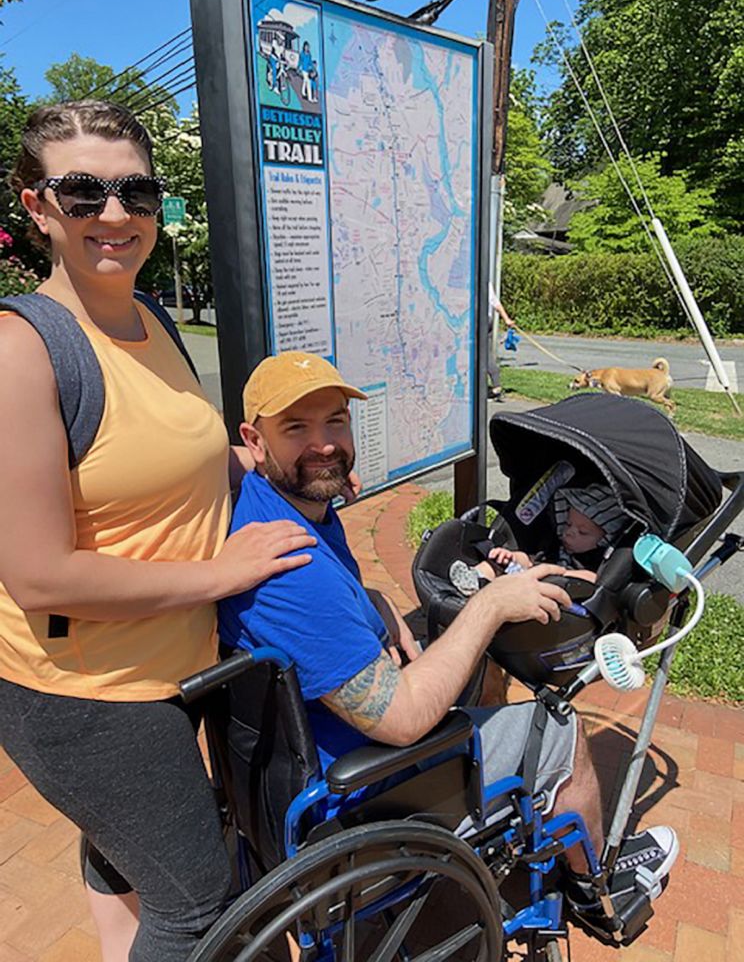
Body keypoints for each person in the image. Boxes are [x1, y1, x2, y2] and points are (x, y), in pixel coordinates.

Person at [0, 101, 319, 962]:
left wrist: (271, 474)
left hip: (180, 665)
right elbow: (37, 574)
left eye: (135, 191)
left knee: (129, 847)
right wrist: (221, 575)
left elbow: (184, 458)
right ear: (36, 207)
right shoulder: (24, 351)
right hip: (87, 693)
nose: (115, 214)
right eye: (83, 192)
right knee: (198, 905)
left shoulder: (157, 321)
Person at [219, 350, 679, 922]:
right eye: (296, 428)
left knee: (457, 650)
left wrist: (373, 600)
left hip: (294, 758)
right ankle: (596, 892)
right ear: (254, 441)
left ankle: (500, 788)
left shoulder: (272, 505)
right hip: (363, 792)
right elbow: (404, 718)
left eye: (334, 421)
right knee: (559, 726)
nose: (325, 444)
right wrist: (488, 605)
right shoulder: (295, 573)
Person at [449, 482, 626, 594]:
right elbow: (532, 560)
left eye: (583, 532)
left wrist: (561, 574)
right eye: (568, 524)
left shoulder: (599, 560)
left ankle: (485, 588)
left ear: (604, 538)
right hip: (530, 576)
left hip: (556, 593)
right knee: (502, 562)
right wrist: (512, 557)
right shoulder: (557, 544)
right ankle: (475, 578)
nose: (570, 532)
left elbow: (595, 580)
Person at [488, 281, 515, 401]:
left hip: (476, 319)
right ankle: (496, 385)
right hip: (488, 319)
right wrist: (507, 319)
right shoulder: (485, 281)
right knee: (485, 354)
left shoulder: (467, 279)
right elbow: (495, 302)